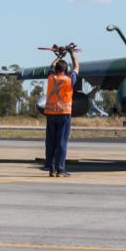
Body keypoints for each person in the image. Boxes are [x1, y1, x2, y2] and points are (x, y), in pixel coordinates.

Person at [44, 46, 79, 177]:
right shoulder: (69, 80)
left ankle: (51, 169)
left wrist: (59, 56)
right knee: (61, 142)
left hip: (50, 114)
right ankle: (60, 169)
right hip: (64, 114)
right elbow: (76, 67)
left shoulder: (50, 78)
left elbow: (51, 67)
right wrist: (72, 53)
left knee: (51, 142)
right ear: (65, 70)